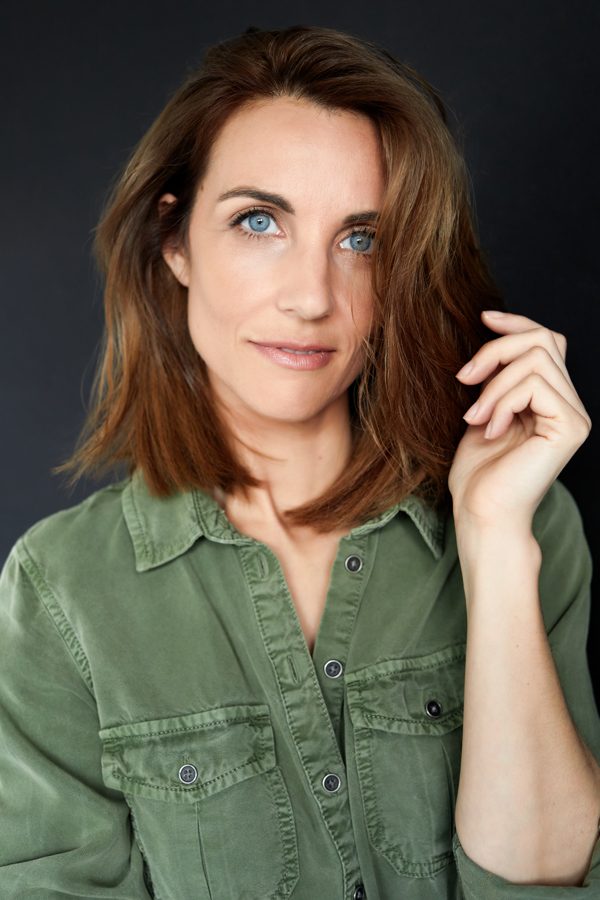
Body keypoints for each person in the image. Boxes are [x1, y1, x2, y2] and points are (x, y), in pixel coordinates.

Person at [0, 22, 598, 900]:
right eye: (259, 222)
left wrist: (495, 541)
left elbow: (550, 883)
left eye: (362, 239)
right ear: (174, 241)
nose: (313, 296)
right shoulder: (62, 590)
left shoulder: (528, 522)